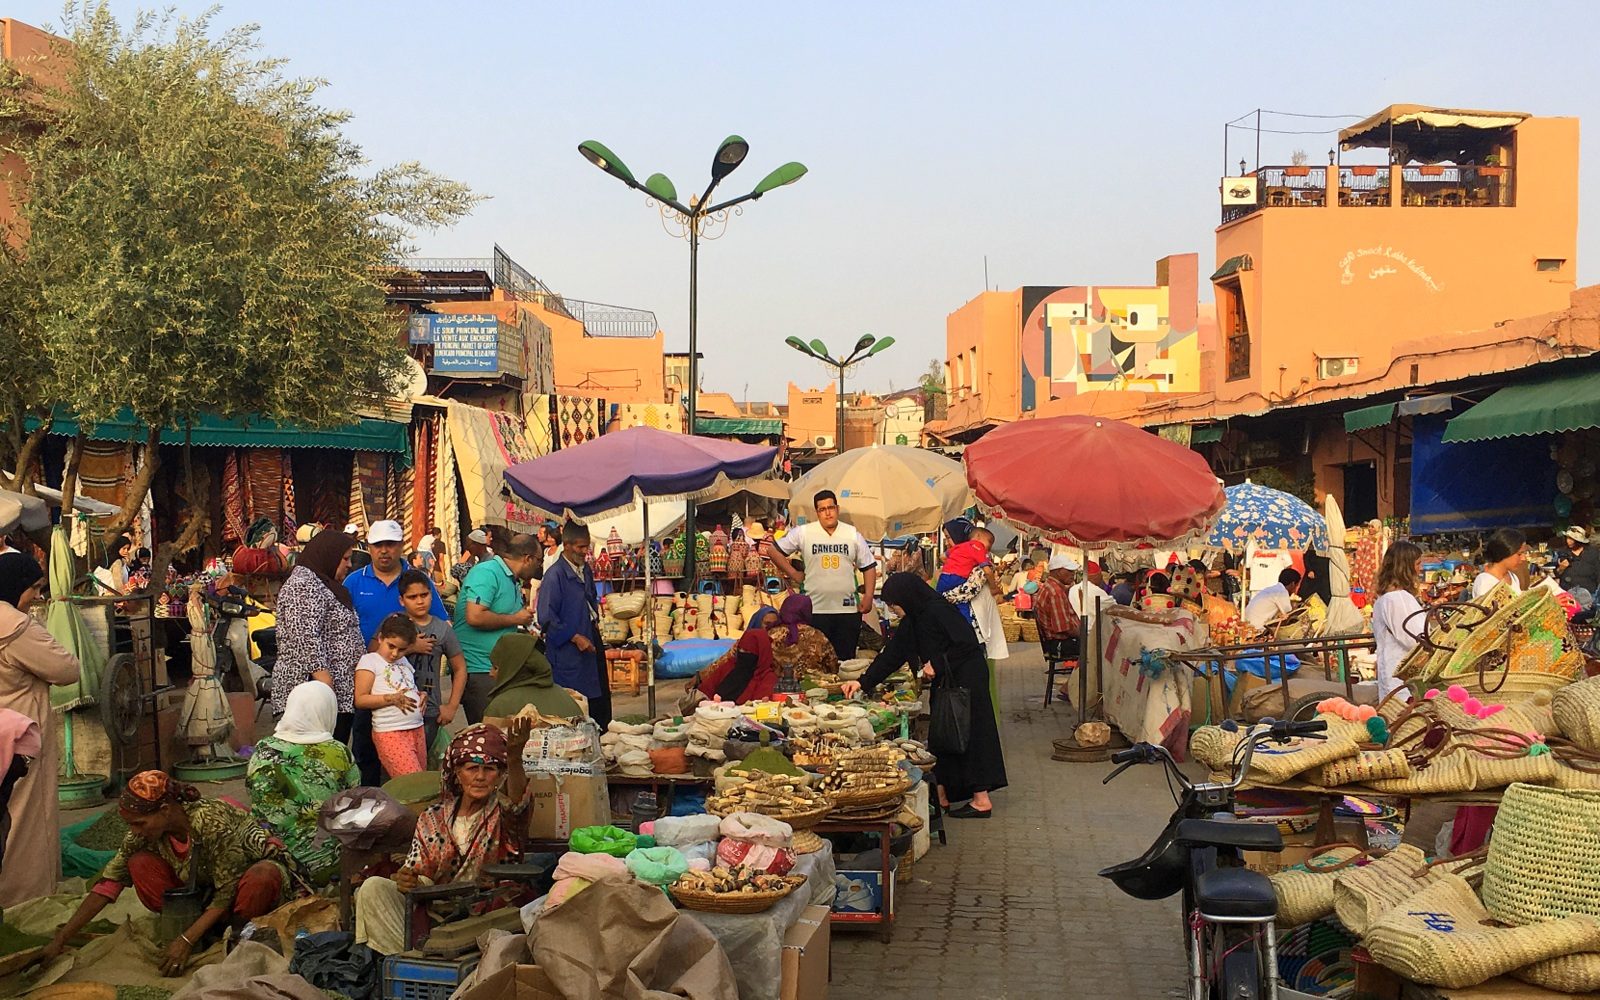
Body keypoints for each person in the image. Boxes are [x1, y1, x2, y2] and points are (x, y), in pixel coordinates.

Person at [43, 771, 297, 976]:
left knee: (262, 875)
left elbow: (228, 889)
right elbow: (109, 883)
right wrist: (62, 938)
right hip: (208, 890)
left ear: (165, 809)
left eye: (140, 823)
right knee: (139, 863)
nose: (136, 831)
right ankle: (196, 925)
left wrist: (186, 940)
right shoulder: (143, 836)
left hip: (248, 889)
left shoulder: (210, 821)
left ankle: (239, 931)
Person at [355, 721, 531, 956]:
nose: (480, 777)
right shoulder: (433, 816)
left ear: (499, 776)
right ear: (458, 774)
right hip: (436, 911)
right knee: (373, 887)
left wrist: (515, 759)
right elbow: (418, 873)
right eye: (471, 769)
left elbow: (518, 804)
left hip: (489, 911)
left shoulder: (502, 812)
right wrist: (407, 879)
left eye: (489, 770)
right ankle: (407, 962)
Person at [843, 574, 1007, 818]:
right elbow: (892, 655)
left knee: (970, 733)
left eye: (893, 604)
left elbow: (966, 644)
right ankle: (942, 795)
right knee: (943, 735)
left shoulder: (938, 610)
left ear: (906, 598)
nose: (893, 610)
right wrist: (862, 681)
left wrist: (937, 664)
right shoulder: (914, 619)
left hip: (967, 678)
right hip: (949, 681)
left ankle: (981, 800)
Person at [0, 553, 81, 907]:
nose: (36, 596)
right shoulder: (15, 627)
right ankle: (27, 898)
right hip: (21, 737)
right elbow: (67, 670)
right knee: (26, 819)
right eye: (33, 588)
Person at [345, 521, 449, 785]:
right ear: (368, 547)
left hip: (408, 679)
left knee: (411, 760)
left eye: (390, 544)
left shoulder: (417, 581)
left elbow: (438, 624)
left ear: (401, 546)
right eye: (378, 545)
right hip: (366, 675)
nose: (384, 551)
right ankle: (374, 809)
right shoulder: (354, 582)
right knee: (366, 752)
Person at [246, 681, 360, 885]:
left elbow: (253, 796)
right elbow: (354, 807)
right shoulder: (339, 753)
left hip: (270, 857)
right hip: (325, 865)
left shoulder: (263, 749)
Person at [272, 528, 366, 743]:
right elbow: (305, 638)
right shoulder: (304, 585)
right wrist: (325, 685)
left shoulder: (322, 583)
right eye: (345, 559)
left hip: (332, 693)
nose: (349, 565)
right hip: (314, 694)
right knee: (315, 758)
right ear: (329, 555)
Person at [763, 490, 877, 660]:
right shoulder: (804, 533)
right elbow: (773, 551)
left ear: (837, 509)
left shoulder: (852, 534)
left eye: (831, 507)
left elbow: (868, 566)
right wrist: (794, 573)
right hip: (814, 610)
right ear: (817, 512)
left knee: (845, 662)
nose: (828, 512)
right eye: (822, 509)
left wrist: (869, 595)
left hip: (847, 611)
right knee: (816, 662)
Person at [457, 533, 543, 724]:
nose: (539, 566)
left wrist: (523, 622)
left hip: (499, 669)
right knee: (488, 736)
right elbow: (475, 616)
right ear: (527, 558)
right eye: (538, 561)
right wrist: (514, 618)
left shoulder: (513, 580)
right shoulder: (487, 572)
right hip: (479, 670)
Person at [538, 524, 610, 728]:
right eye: (580, 547)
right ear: (566, 546)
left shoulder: (585, 570)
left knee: (599, 702)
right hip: (567, 650)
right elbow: (546, 618)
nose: (584, 552)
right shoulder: (554, 576)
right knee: (574, 708)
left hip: (591, 638)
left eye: (587, 547)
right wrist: (574, 637)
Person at [398, 569, 465, 751]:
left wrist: (451, 706)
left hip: (429, 712)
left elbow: (460, 668)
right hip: (395, 710)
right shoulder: (394, 623)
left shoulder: (443, 629)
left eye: (424, 595)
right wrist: (411, 647)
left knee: (424, 765)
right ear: (401, 600)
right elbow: (376, 657)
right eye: (412, 597)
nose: (420, 601)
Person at [356, 614, 428, 778]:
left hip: (416, 727)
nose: (395, 654)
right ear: (381, 638)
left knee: (421, 780)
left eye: (402, 649)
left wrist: (421, 695)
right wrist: (390, 698)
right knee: (412, 782)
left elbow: (407, 686)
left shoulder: (404, 662)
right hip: (391, 731)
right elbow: (360, 699)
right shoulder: (370, 661)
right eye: (391, 646)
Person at [1371, 541, 1425, 702]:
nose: (1420, 568)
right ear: (1406, 567)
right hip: (1401, 674)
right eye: (1417, 563)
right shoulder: (1396, 598)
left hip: (1393, 670)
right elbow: (1412, 637)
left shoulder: (1388, 597)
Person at [484, 632, 583, 720]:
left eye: (495, 668)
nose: (491, 673)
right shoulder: (568, 700)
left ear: (513, 670)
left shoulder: (500, 707)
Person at [695, 606, 779, 703]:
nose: (744, 654)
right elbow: (704, 692)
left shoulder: (766, 678)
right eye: (742, 651)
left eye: (749, 653)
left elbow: (760, 707)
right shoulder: (730, 666)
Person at [767, 595, 840, 692]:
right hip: (812, 688)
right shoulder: (817, 635)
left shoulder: (770, 634)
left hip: (776, 688)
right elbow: (832, 665)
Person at [936, 518, 989, 626]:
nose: (946, 543)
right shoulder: (953, 565)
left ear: (959, 535)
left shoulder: (979, 567)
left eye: (948, 538)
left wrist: (939, 599)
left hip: (973, 625)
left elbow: (965, 593)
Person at [1472, 528, 1527, 600]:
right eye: (1519, 554)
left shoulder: (1513, 577)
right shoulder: (1485, 582)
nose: (1524, 558)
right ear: (1505, 553)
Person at [1558, 526, 1600, 606]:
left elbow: (1598, 572)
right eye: (1567, 538)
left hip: (1589, 593)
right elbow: (1557, 573)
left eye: (1571, 539)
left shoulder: (1593, 553)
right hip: (1568, 593)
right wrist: (1561, 568)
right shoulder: (1563, 552)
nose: (1568, 541)